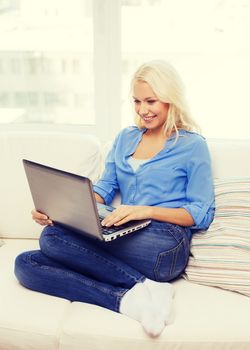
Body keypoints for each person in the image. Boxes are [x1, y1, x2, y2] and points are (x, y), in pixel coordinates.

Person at [14, 60, 215, 337]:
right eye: (136, 101)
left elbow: (201, 212)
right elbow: (105, 188)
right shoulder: (126, 138)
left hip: (165, 242)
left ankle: (145, 286)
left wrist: (145, 211)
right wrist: (63, 208)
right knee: (27, 263)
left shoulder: (192, 145)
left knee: (53, 241)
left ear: (171, 100)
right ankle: (134, 295)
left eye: (151, 101)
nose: (142, 110)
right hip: (121, 233)